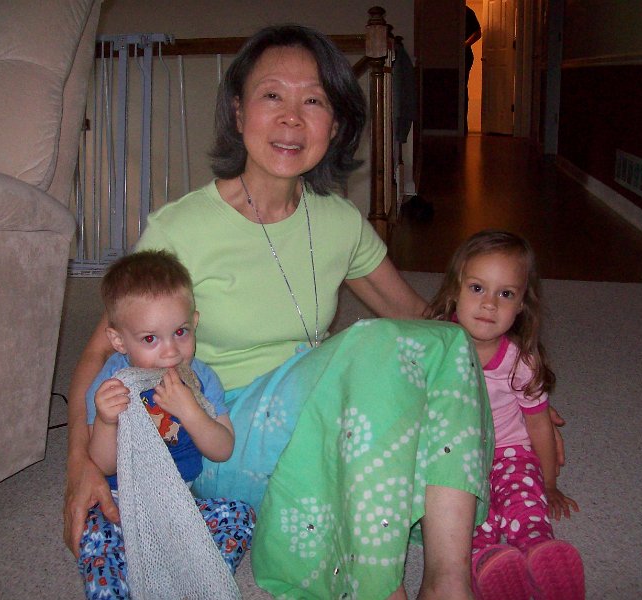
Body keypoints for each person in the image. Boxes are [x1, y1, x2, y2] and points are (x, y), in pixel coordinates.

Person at [63, 24, 563, 600]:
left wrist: (499, 386)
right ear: (238, 111)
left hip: (318, 422)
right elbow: (102, 351)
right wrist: (80, 464)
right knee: (372, 347)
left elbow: (425, 322)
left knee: (440, 348)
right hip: (219, 436)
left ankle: (448, 583)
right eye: (272, 95)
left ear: (336, 124)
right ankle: (377, 586)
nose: (291, 118)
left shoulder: (338, 221)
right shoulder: (180, 229)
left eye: (314, 101)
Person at [78, 250, 256, 598]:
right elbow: (102, 464)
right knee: (95, 539)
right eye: (150, 339)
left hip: (179, 504)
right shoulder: (111, 386)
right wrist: (106, 421)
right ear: (118, 341)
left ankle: (192, 580)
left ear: (195, 321)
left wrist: (190, 411)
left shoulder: (200, 379)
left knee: (239, 516)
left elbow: (223, 449)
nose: (171, 352)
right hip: (120, 503)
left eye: (180, 332)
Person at [428, 230, 585, 600]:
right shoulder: (435, 348)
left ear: (521, 306)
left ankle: (540, 551)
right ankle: (488, 562)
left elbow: (539, 424)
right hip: (457, 457)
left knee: (524, 500)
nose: (489, 304)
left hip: (511, 451)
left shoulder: (521, 363)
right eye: (477, 288)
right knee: (465, 519)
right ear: (455, 291)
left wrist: (548, 483)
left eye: (506, 294)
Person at [464, 6, 482, 128]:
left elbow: (477, 32)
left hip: (465, 55)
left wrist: (465, 44)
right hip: (463, 54)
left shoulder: (466, 11)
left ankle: (462, 124)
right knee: (462, 87)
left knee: (462, 87)